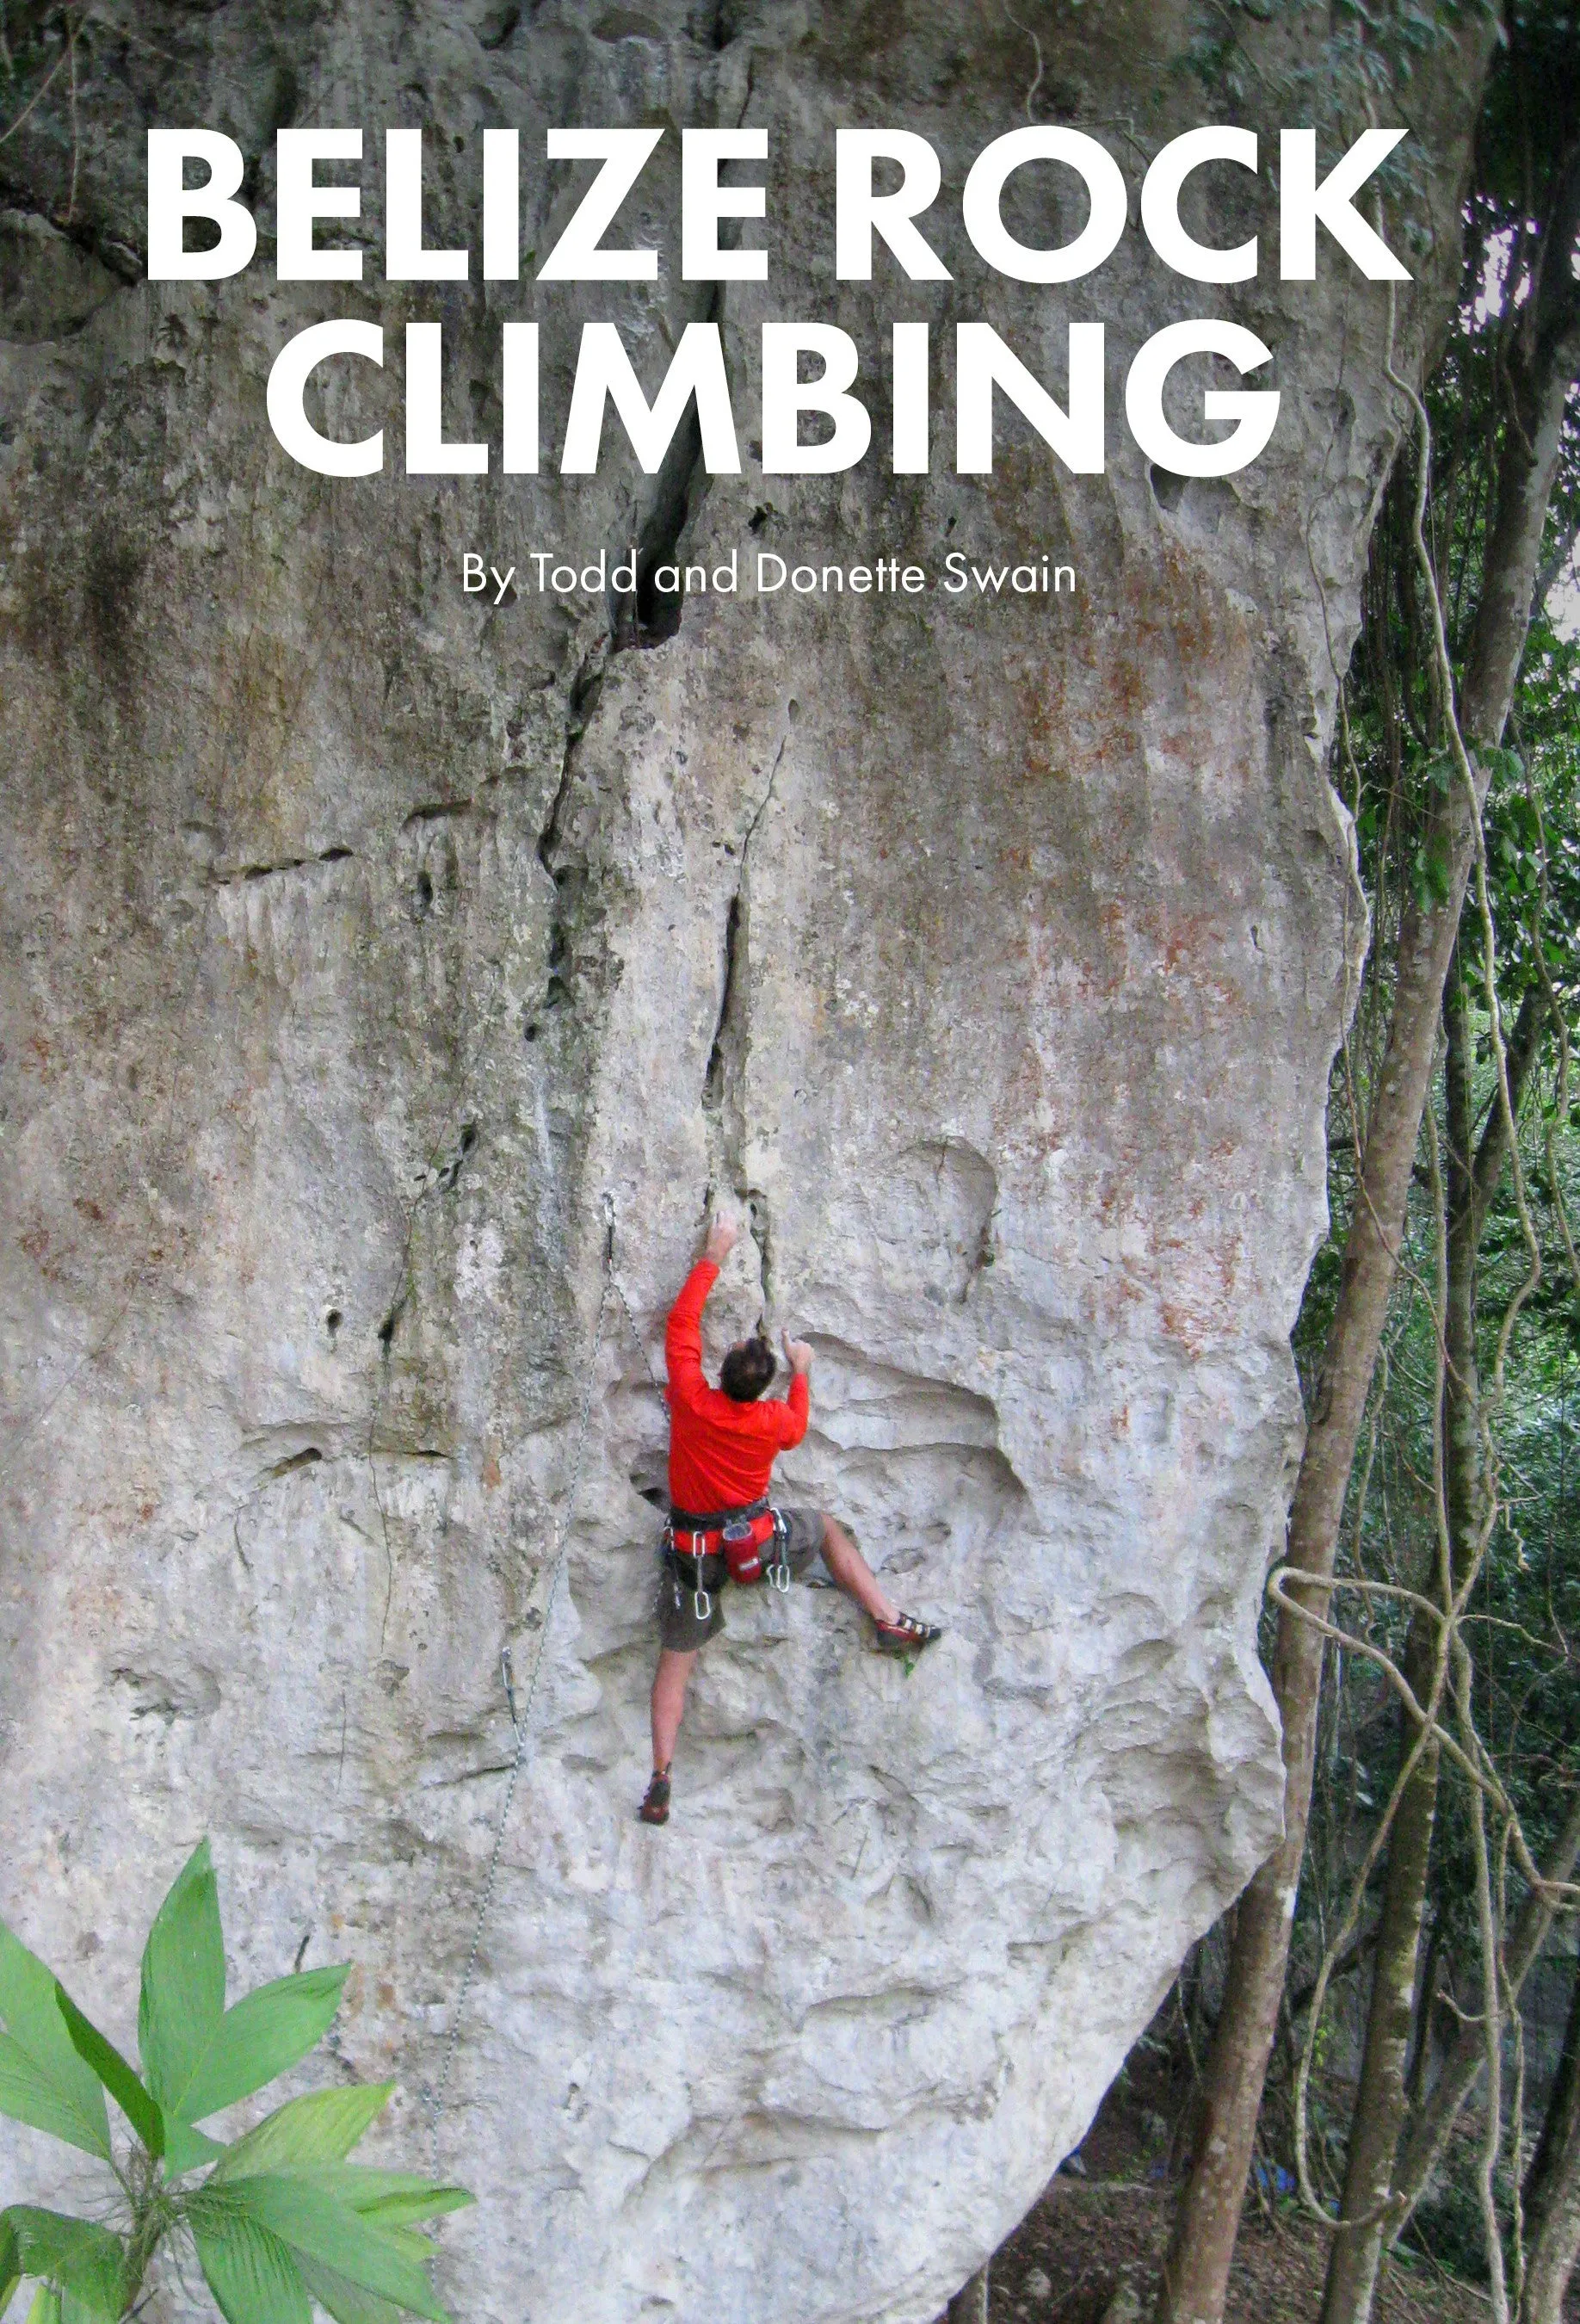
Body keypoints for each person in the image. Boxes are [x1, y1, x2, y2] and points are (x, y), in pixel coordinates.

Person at [639, 1212, 942, 1826]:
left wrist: (715, 1252)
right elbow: (798, 1425)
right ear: (765, 1389)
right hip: (754, 1544)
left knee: (676, 1661)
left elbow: (681, 1326)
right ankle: (889, 1619)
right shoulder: (772, 1422)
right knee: (826, 1528)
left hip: (693, 1555)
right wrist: (801, 1370)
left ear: (719, 1377)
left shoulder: (694, 1403)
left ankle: (661, 1777)